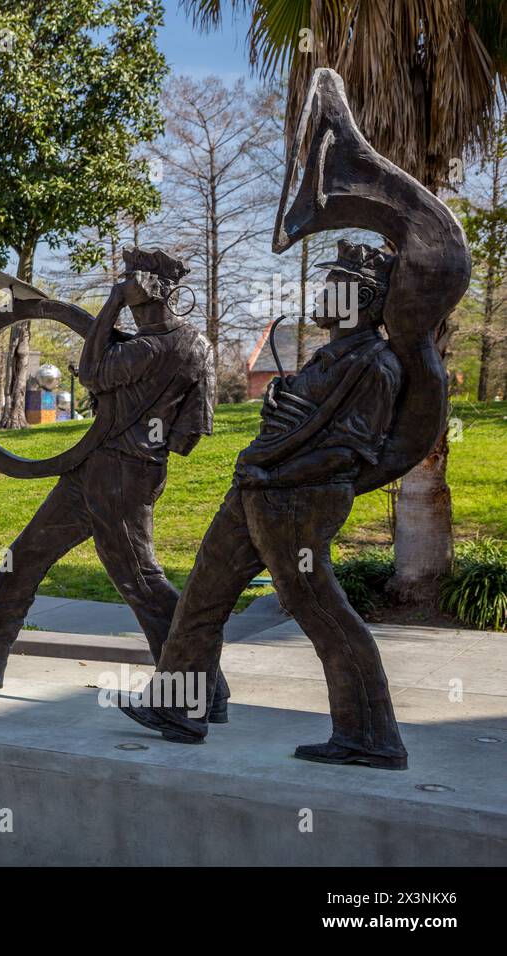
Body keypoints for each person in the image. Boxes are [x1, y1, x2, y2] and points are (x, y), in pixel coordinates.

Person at [118, 240, 409, 770]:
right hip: (257, 490)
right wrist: (282, 402)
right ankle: (180, 707)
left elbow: (348, 452)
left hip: (298, 501)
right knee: (203, 596)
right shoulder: (331, 356)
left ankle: (370, 734)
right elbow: (309, 424)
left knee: (316, 606)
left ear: (363, 298)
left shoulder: (375, 364)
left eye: (332, 285)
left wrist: (268, 468)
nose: (320, 294)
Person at [0, 247, 225, 712]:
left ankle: (199, 690)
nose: (123, 287)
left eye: (127, 281)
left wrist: (112, 303)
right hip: (103, 469)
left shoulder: (148, 347)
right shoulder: (197, 346)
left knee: (141, 581)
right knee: (24, 557)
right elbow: (191, 431)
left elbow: (94, 372)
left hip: (117, 475)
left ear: (147, 287)